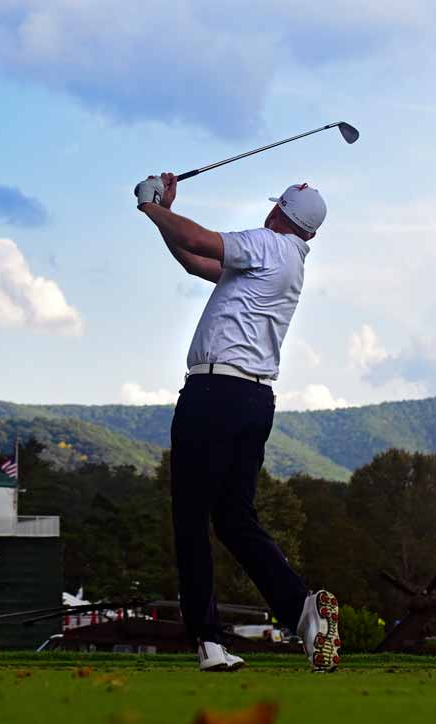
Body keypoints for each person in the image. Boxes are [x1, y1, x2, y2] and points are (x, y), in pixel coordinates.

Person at [136, 173, 340, 673]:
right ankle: (301, 610)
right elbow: (195, 260)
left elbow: (197, 239)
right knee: (232, 518)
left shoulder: (267, 245)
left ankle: (207, 641)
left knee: (190, 517)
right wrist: (163, 214)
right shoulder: (284, 260)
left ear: (279, 216)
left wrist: (150, 207)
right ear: (310, 232)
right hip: (253, 400)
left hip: (214, 393)